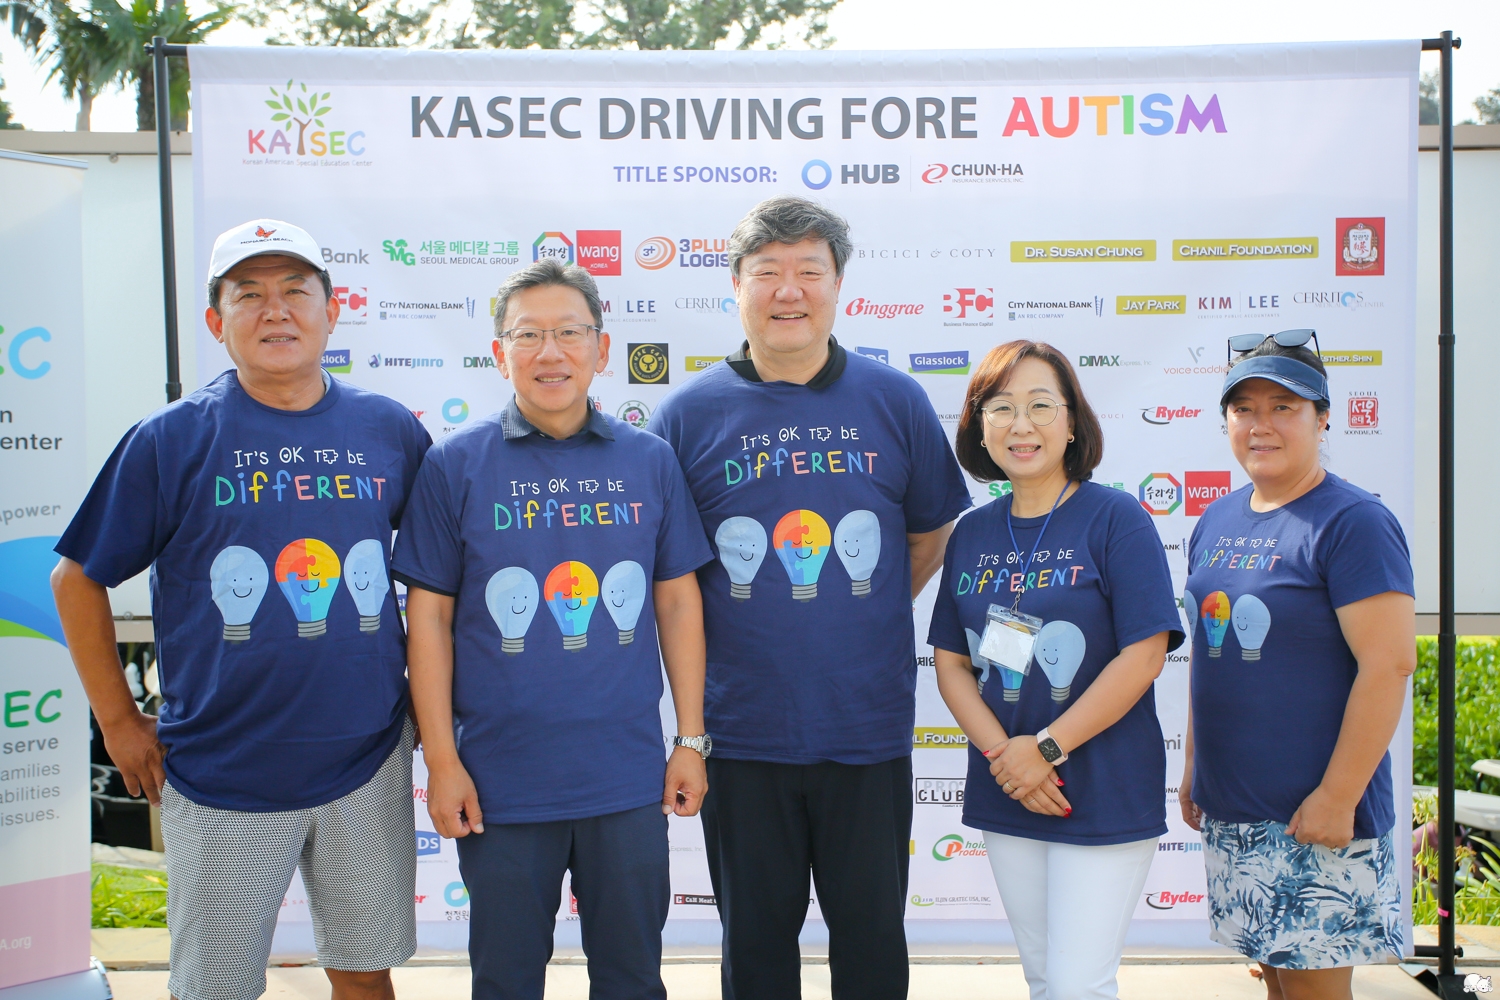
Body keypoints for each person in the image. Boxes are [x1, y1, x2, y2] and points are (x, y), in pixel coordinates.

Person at [51, 219, 430, 1000]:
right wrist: (118, 721)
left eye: (296, 291)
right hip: (221, 768)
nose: (276, 310)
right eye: (248, 295)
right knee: (215, 986)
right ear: (216, 321)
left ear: (332, 311)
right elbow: (75, 579)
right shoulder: (171, 438)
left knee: (365, 973)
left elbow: (438, 578)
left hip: (365, 757)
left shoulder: (387, 428)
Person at [651, 196, 972, 1000]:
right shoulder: (686, 416)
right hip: (741, 731)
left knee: (872, 942)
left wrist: (860, 607)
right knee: (755, 947)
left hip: (865, 725)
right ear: (736, 285)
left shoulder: (894, 400)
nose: (788, 291)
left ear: (838, 284)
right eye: (767, 273)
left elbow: (928, 536)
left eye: (808, 272)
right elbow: (669, 579)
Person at [393, 259, 713, 1000]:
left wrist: (691, 740)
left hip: (625, 779)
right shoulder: (454, 465)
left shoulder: (649, 460)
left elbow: (677, 604)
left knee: (632, 982)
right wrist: (441, 760)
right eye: (528, 335)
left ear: (602, 348)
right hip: (500, 785)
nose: (550, 353)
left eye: (570, 332)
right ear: (498, 351)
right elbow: (429, 619)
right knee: (505, 982)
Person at [928, 340, 1184, 1000]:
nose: (1022, 424)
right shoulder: (971, 533)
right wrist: (1005, 758)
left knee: (1077, 986)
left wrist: (1044, 749)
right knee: (1045, 980)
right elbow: (952, 662)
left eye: (1041, 405)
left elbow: (1145, 654)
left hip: (1098, 787)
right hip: (1009, 788)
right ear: (979, 425)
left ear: (1073, 422)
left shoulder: (1116, 518)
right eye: (1002, 407)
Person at [1180, 331, 1413, 1000]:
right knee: (1279, 986)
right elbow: (1209, 656)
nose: (1261, 425)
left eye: (1283, 407)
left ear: (1323, 418)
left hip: (1315, 814)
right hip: (1235, 809)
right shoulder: (1216, 519)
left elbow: (1389, 665)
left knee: (1314, 991)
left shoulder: (1353, 521)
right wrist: (1195, 766)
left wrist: (1338, 797)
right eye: (1244, 409)